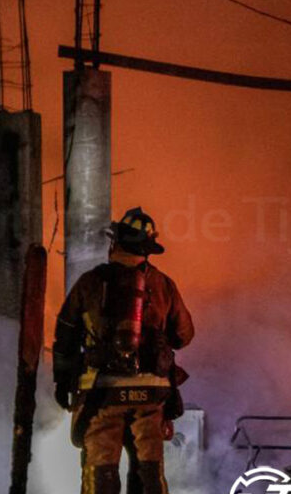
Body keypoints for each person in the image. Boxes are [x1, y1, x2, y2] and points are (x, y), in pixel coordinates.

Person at [53, 207, 195, 494]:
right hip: (152, 395)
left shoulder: (90, 282)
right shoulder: (163, 284)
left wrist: (61, 382)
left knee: (100, 470)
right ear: (147, 249)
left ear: (115, 242)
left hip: (101, 394)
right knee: (149, 471)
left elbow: (65, 337)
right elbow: (183, 335)